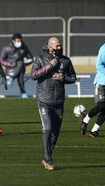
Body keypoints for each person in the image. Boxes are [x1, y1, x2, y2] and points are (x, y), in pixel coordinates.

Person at [31, 37, 76, 171]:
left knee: (55, 133)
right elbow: (33, 75)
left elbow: (73, 77)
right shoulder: (40, 59)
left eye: (60, 45)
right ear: (50, 47)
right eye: (56, 46)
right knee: (48, 128)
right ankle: (48, 159)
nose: (59, 47)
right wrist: (49, 66)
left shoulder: (66, 60)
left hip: (59, 101)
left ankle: (46, 157)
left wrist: (63, 78)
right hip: (44, 100)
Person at [1, 32, 33, 98]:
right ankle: (23, 93)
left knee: (21, 64)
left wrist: (26, 62)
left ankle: (11, 79)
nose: (19, 42)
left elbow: (30, 58)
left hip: (20, 68)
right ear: (13, 40)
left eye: (20, 41)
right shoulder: (6, 48)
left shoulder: (24, 47)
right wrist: (10, 64)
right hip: (10, 69)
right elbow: (2, 60)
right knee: (20, 66)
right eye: (18, 41)